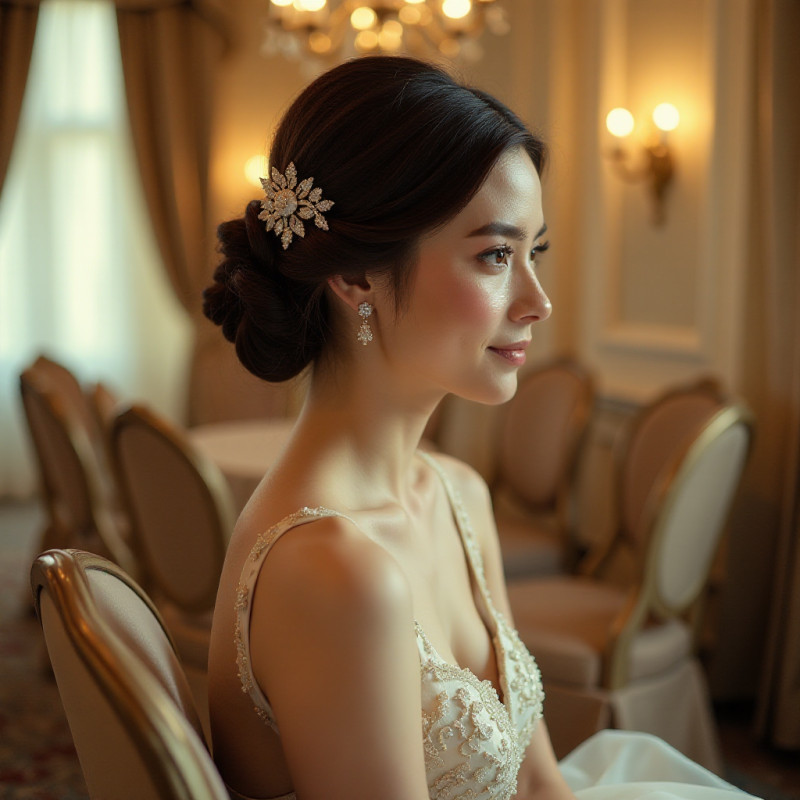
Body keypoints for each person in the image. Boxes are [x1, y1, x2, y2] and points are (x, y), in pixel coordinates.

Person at [203, 56, 759, 800]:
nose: (538, 301)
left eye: (536, 252)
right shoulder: (331, 572)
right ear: (356, 277)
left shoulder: (456, 491)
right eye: (496, 255)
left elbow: (536, 779)